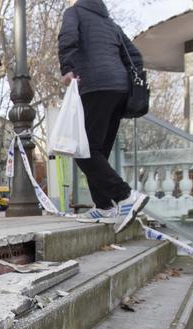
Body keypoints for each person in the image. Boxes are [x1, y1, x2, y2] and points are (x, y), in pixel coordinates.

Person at [57, 0, 148, 233]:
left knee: (82, 150)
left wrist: (67, 68)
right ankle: (105, 207)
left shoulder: (74, 12)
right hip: (120, 92)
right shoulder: (110, 23)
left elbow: (68, 38)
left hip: (95, 86)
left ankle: (126, 196)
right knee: (98, 151)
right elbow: (135, 56)